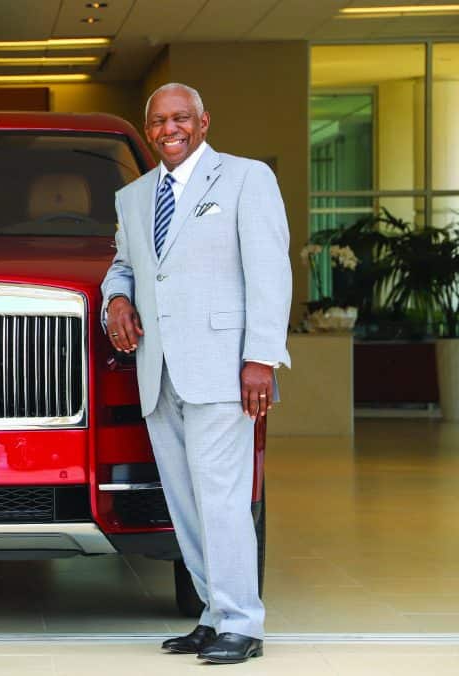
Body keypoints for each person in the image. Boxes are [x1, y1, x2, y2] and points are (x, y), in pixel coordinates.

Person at [101, 83, 291, 664]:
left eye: (181, 118)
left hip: (223, 368)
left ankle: (243, 623)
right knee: (186, 505)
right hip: (159, 372)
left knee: (224, 501)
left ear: (203, 122)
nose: (170, 129)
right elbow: (125, 265)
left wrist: (260, 358)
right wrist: (116, 299)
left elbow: (270, 271)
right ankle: (213, 614)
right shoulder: (133, 197)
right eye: (159, 121)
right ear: (148, 129)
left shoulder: (246, 179)